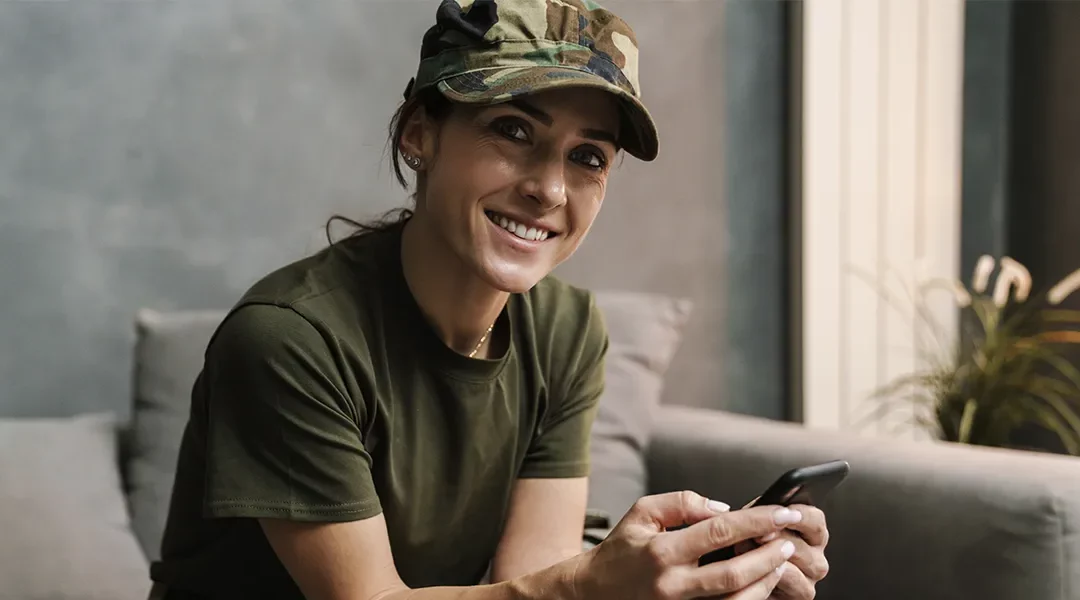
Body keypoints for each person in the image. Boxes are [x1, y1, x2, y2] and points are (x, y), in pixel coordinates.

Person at [148, 1, 831, 598]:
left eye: (587, 157)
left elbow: (531, 579)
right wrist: (593, 588)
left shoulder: (567, 331)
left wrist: (695, 578)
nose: (550, 190)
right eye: (513, 131)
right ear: (420, 133)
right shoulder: (291, 340)